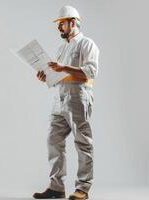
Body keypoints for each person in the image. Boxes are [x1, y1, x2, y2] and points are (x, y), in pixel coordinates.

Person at [33, 5, 100, 200]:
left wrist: (63, 67)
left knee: (82, 142)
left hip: (78, 98)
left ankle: (83, 188)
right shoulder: (62, 48)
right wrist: (46, 77)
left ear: (72, 22)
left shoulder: (87, 44)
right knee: (53, 141)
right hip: (59, 99)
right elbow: (60, 75)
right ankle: (56, 187)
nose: (59, 28)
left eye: (61, 24)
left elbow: (90, 72)